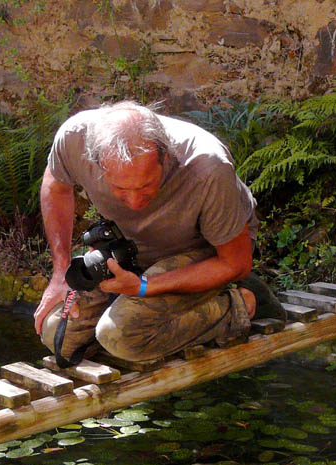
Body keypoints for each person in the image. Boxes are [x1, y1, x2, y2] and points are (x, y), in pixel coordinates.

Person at [33, 101, 284, 363]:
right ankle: (135, 316)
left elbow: (236, 263)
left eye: (146, 186)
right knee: (57, 337)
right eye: (120, 189)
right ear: (97, 163)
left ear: (165, 157)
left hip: (205, 250)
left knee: (120, 336)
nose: (133, 202)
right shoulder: (75, 139)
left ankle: (240, 303)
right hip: (134, 250)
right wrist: (61, 271)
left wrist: (143, 287)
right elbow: (56, 184)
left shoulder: (207, 166)